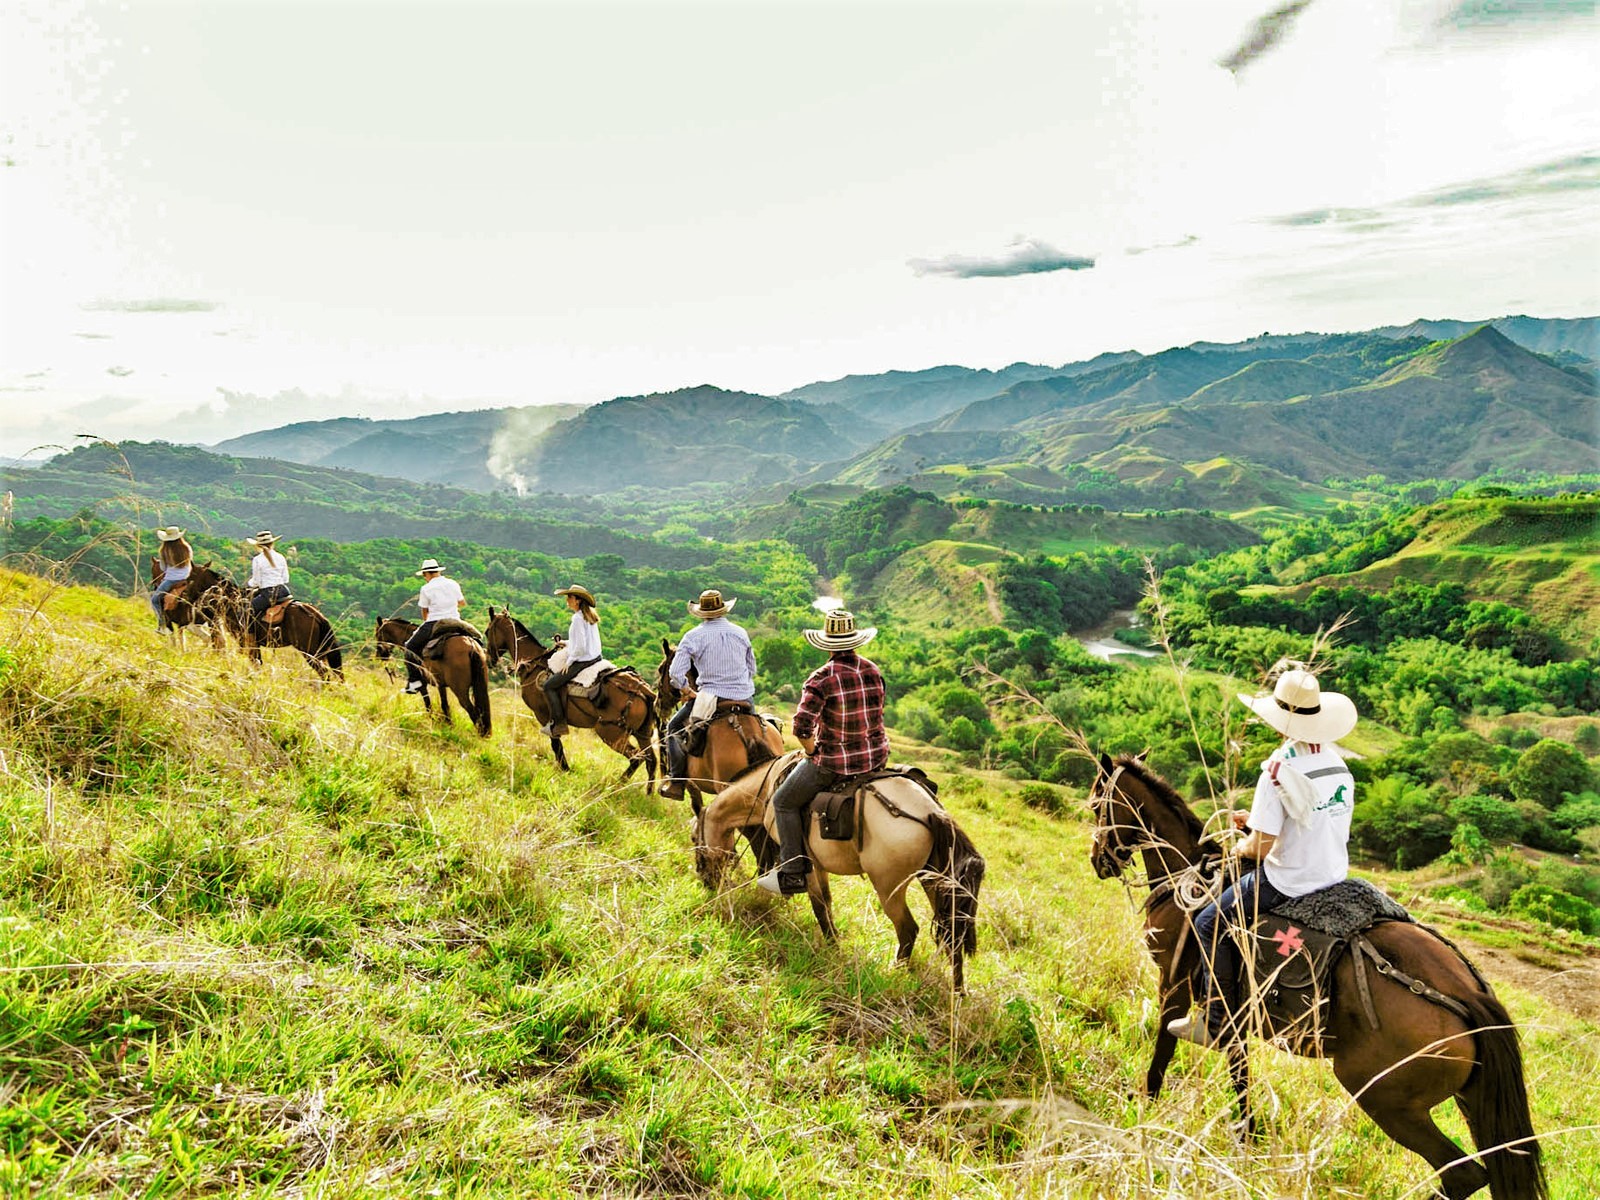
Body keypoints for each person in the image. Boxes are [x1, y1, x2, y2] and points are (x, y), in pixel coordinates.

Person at [1168, 664, 1359, 1049]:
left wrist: (1241, 844)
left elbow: (1260, 849)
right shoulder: (1338, 764)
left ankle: (1214, 1020)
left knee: (1209, 923)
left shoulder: (1276, 769)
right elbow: (1311, 821)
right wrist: (1254, 822)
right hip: (1333, 874)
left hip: (1290, 881)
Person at [758, 609, 888, 896]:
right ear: (855, 642)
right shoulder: (873, 669)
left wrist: (812, 750)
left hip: (835, 764)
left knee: (783, 801)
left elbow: (802, 727)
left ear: (827, 645)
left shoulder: (821, 678)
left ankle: (793, 873)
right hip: (876, 757)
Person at [660, 589, 758, 801]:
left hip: (710, 698)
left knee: (673, 727)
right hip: (744, 696)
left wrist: (687, 690)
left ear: (701, 613)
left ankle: (676, 782)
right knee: (761, 725)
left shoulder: (693, 636)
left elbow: (675, 674)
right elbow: (752, 669)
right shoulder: (741, 632)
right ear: (723, 610)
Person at [542, 585, 602, 736]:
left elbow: (580, 648)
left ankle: (560, 723)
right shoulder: (588, 616)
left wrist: (569, 662)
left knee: (548, 686)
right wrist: (567, 643)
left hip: (582, 661)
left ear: (577, 600)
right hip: (595, 658)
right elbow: (584, 643)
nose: (567, 600)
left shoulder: (577, 618)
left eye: (569, 597)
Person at [402, 558, 466, 694]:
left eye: (424, 576)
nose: (425, 578)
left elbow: (424, 611)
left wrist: (427, 621)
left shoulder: (426, 588)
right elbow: (462, 603)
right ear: (437, 571)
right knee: (477, 638)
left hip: (435, 622)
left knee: (409, 648)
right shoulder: (453, 583)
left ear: (427, 574)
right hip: (455, 621)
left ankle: (415, 682)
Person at [245, 530, 291, 634]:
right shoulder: (280, 557)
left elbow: (256, 582)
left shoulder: (257, 560)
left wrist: (249, 584)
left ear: (259, 546)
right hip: (284, 591)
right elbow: (286, 579)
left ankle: (250, 638)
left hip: (268, 594)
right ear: (272, 543)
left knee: (246, 611)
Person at [150, 526, 193, 631]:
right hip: (187, 578)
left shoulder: (164, 550)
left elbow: (163, 568)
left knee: (155, 600)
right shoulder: (187, 548)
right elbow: (190, 562)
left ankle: (162, 625)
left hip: (171, 580)